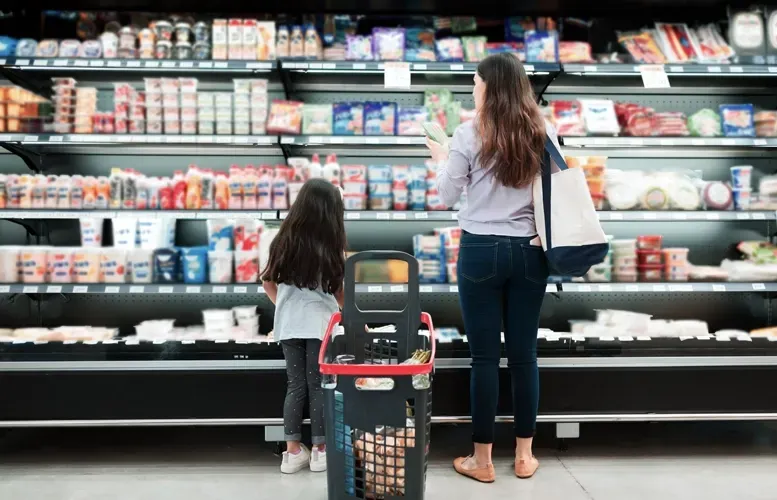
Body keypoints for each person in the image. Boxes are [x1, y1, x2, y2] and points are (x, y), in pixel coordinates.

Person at [426, 53, 561, 483]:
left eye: (475, 83)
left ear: (489, 87)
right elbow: (556, 193)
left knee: (484, 358)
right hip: (529, 251)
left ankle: (481, 461)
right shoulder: (543, 131)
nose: (472, 89)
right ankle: (524, 456)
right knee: (524, 356)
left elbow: (447, 195)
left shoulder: (468, 133)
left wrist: (440, 158)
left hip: (481, 249)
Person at [261, 178, 346, 474]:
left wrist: (284, 309)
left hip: (289, 326)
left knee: (295, 386)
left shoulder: (281, 242)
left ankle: (292, 452)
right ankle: (321, 451)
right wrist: (347, 316)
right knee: (319, 387)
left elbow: (267, 282)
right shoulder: (330, 247)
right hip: (320, 327)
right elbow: (339, 293)